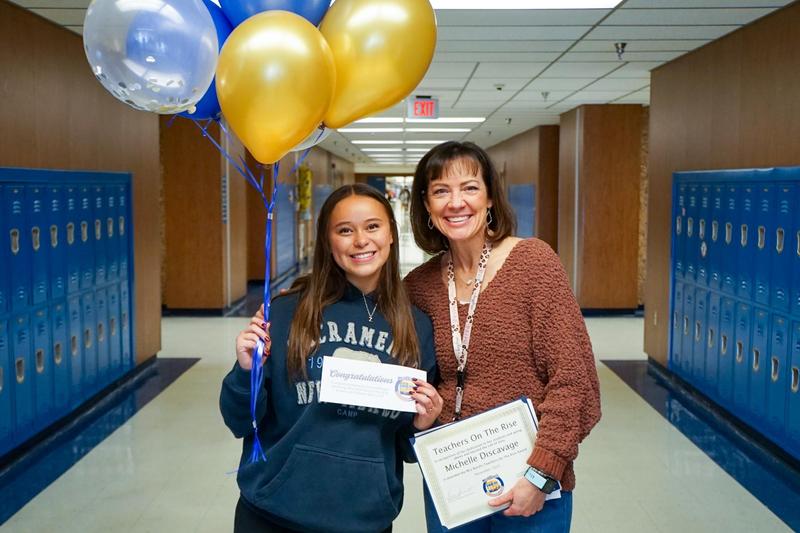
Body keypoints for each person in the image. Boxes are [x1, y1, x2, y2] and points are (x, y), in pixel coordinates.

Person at [220, 183, 443, 533]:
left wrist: (423, 423)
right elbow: (239, 422)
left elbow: (406, 449)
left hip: (363, 519)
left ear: (391, 234)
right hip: (271, 514)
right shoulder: (286, 312)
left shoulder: (416, 327)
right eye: (344, 230)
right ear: (327, 241)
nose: (360, 240)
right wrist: (245, 371)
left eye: (372, 226)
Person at [404, 141, 601, 532]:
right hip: (452, 481)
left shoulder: (533, 263)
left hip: (528, 481)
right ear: (426, 206)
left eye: (469, 188)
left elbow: (574, 381)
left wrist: (542, 473)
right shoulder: (418, 286)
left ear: (490, 197)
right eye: (441, 191)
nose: (455, 202)